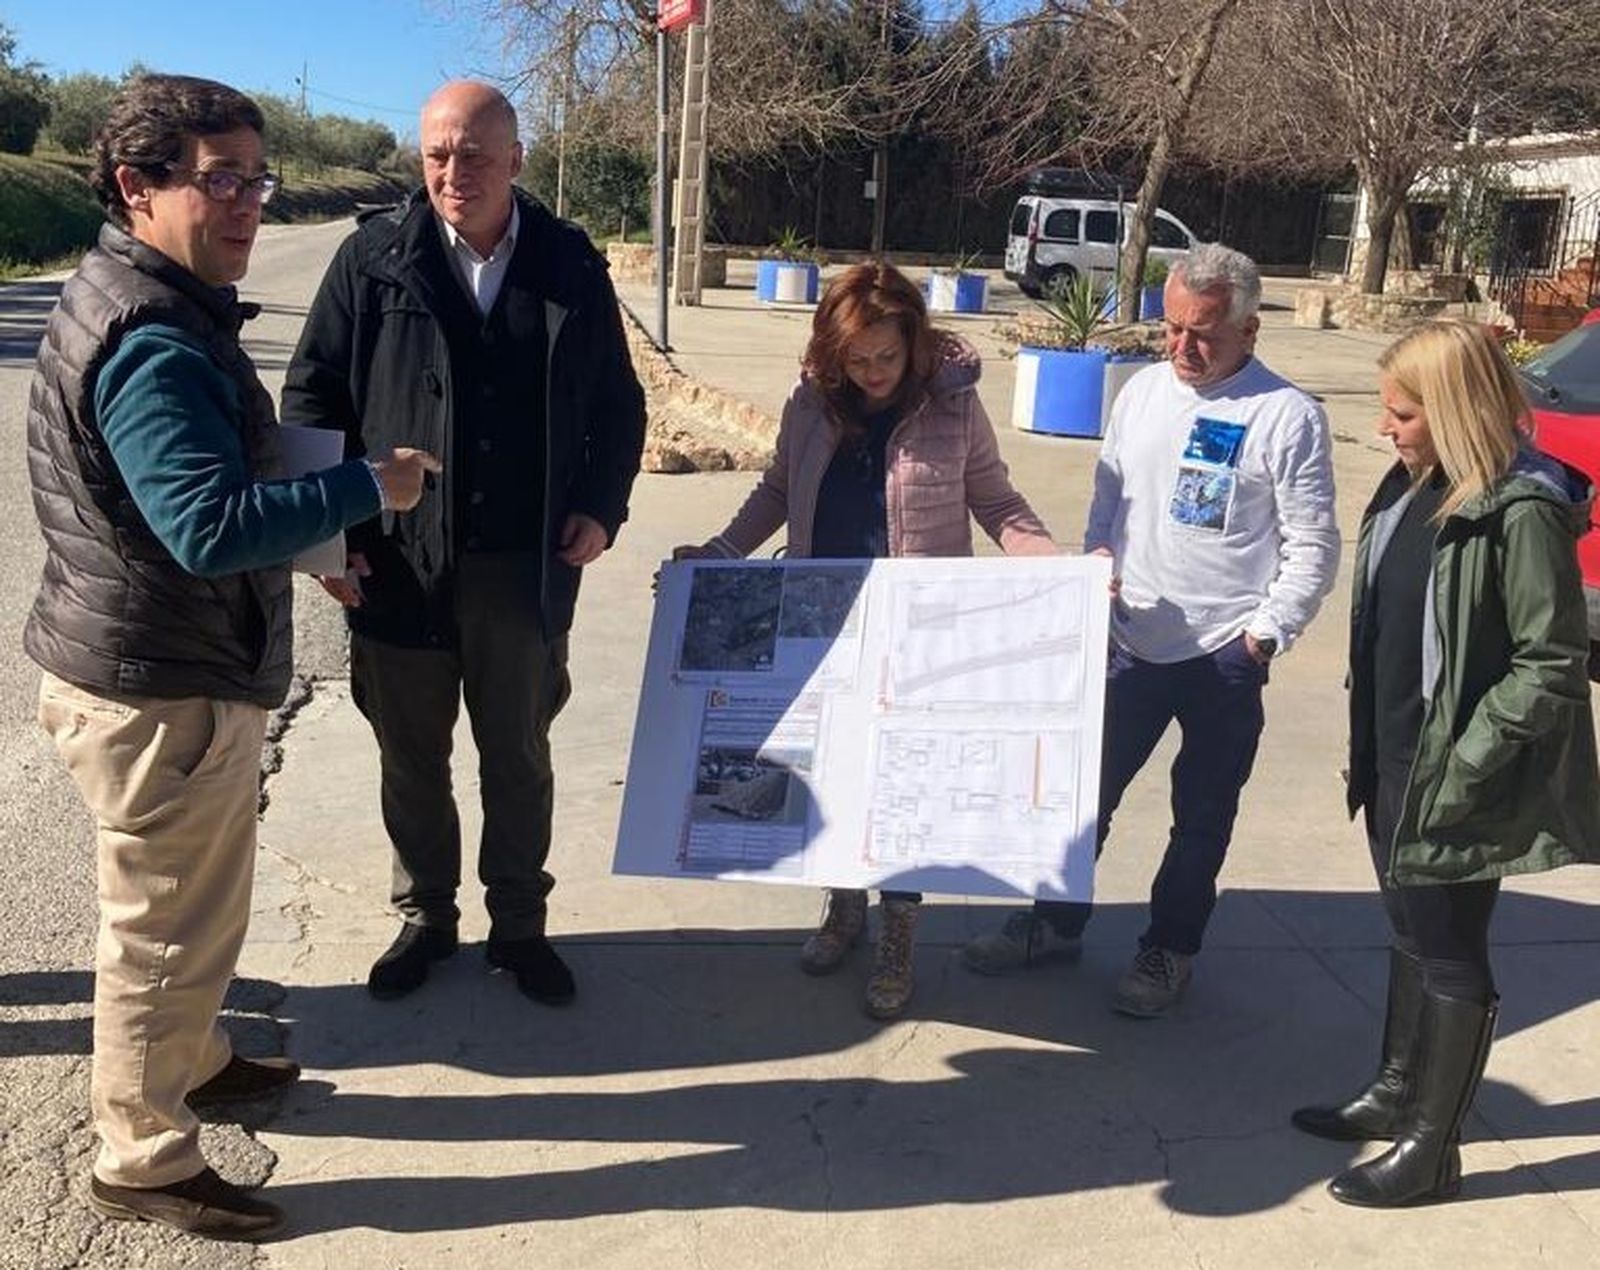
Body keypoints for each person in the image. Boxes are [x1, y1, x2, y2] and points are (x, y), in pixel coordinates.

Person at [24, 75, 438, 1241]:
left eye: (258, 179)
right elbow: (201, 526)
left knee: (197, 912)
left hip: (163, 658)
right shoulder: (153, 337)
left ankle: (191, 1057)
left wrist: (309, 550)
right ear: (135, 189)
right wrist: (369, 486)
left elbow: (186, 502)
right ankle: (144, 1156)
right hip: (160, 687)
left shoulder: (148, 296)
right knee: (161, 925)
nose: (249, 203)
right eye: (220, 181)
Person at [282, 80, 646, 1008]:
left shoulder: (567, 262)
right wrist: (329, 540)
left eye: (476, 152)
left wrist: (602, 510)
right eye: (439, 153)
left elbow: (618, 406)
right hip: (398, 565)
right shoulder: (372, 258)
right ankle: (427, 919)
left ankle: (519, 927)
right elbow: (312, 399)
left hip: (523, 571)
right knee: (410, 758)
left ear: (516, 159)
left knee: (519, 758)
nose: (455, 171)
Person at [963, 243, 1341, 1017]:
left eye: (1202, 332)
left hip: (1223, 654)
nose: (1181, 347)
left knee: (1201, 816)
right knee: (1079, 796)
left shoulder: (1286, 416)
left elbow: (1314, 543)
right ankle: (1053, 923)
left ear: (1249, 330)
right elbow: (1111, 499)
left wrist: (1266, 635)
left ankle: (1168, 949)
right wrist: (1097, 558)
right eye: (1171, 328)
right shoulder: (1139, 395)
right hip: (1128, 642)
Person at [673, 261, 1057, 1019]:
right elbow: (779, 491)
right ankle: (844, 907)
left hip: (918, 634)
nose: (875, 373)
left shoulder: (953, 406)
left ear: (914, 345)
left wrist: (1056, 568)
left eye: (888, 357)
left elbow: (997, 501)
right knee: (838, 775)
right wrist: (720, 553)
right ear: (833, 353)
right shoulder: (811, 403)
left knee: (904, 791)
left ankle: (898, 935)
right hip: (822, 623)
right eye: (859, 359)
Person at [1292, 318, 1600, 1207]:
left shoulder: (1523, 511)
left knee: (1453, 954)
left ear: (1456, 410)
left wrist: (1466, 766)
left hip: (1456, 773)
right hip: (1394, 759)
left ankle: (1435, 1148)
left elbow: (1551, 664)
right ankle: (1397, 1090)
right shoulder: (1411, 485)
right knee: (1409, 933)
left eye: (1402, 414)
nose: (1385, 428)